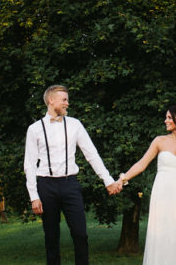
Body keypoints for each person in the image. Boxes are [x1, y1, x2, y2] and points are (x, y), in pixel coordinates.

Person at [24, 85, 123, 265]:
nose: (67, 103)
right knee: (51, 238)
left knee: (80, 234)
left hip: (70, 185)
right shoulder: (35, 129)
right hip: (46, 186)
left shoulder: (75, 124)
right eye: (64, 100)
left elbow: (91, 154)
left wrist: (108, 180)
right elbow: (29, 164)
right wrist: (34, 196)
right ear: (51, 100)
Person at [118, 106, 176, 265]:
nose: (166, 121)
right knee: (162, 233)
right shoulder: (160, 141)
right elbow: (142, 164)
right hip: (162, 193)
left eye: (170, 118)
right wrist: (123, 179)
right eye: (166, 117)